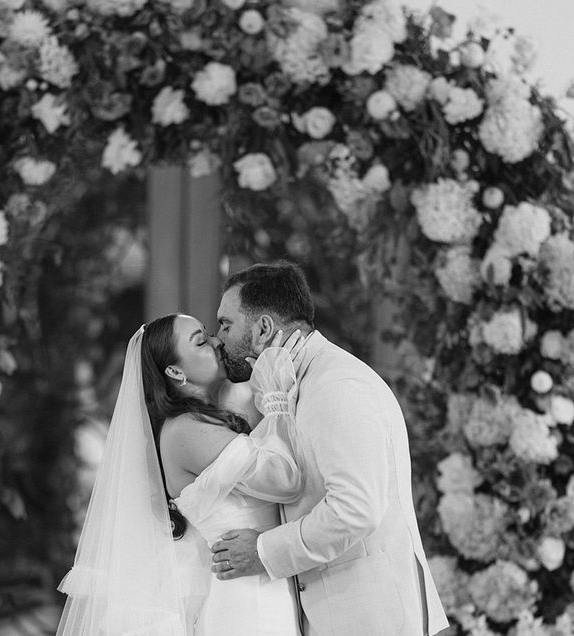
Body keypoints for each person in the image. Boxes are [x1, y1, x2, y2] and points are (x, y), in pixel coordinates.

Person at [211, 261, 450, 636]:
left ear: (263, 329)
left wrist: (263, 551)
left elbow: (355, 509)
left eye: (226, 324)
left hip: (373, 618)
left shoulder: (336, 386)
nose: (218, 338)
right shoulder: (296, 384)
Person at [56, 312, 307, 636]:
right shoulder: (186, 431)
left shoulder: (202, 423)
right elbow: (284, 480)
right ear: (175, 372)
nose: (217, 342)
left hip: (259, 585)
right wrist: (276, 393)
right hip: (247, 601)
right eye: (201, 341)